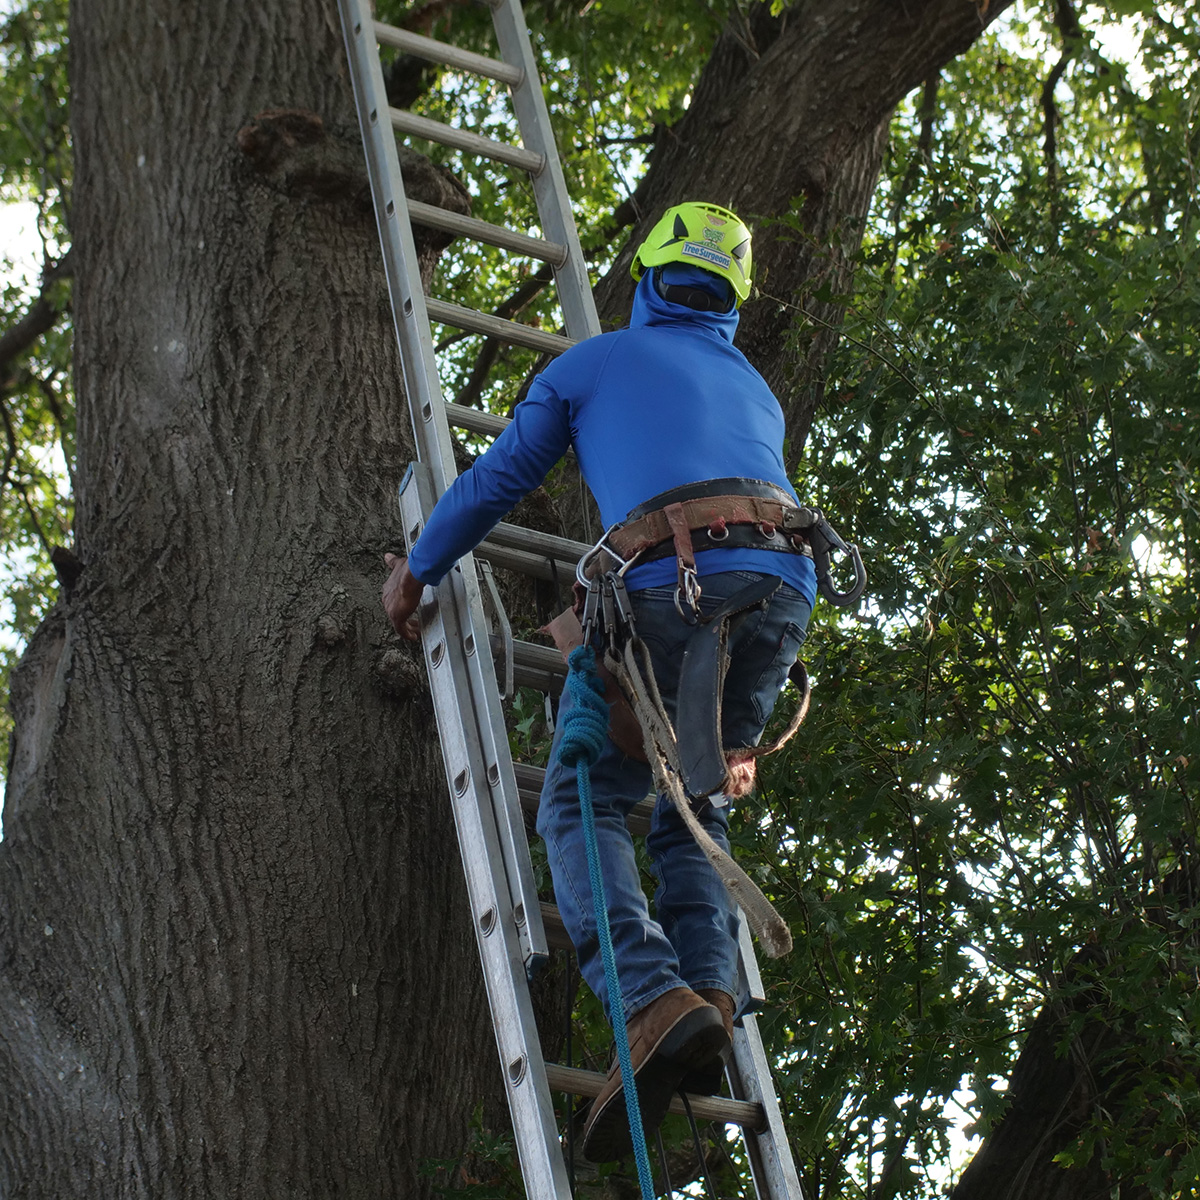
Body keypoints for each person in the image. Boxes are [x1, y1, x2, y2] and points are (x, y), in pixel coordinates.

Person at [382, 201, 816, 1161]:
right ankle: (705, 997)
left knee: (584, 801)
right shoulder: (755, 387)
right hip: (782, 588)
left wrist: (417, 568)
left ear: (648, 278)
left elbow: (497, 482)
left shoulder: (597, 362)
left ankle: (649, 999)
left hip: (675, 582)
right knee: (693, 808)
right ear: (733, 301)